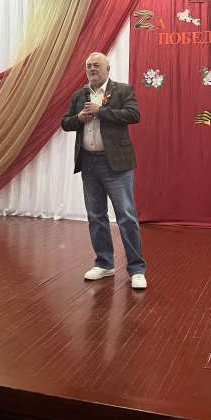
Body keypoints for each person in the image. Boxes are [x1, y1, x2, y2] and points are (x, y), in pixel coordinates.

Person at [61, 52, 147, 290]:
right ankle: (104, 263)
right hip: (89, 163)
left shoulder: (122, 90)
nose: (92, 69)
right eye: (88, 66)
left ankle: (137, 269)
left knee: (126, 216)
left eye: (96, 65)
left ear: (108, 69)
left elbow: (134, 115)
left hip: (116, 163)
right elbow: (66, 123)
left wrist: (101, 111)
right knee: (96, 216)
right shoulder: (79, 95)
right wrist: (79, 118)